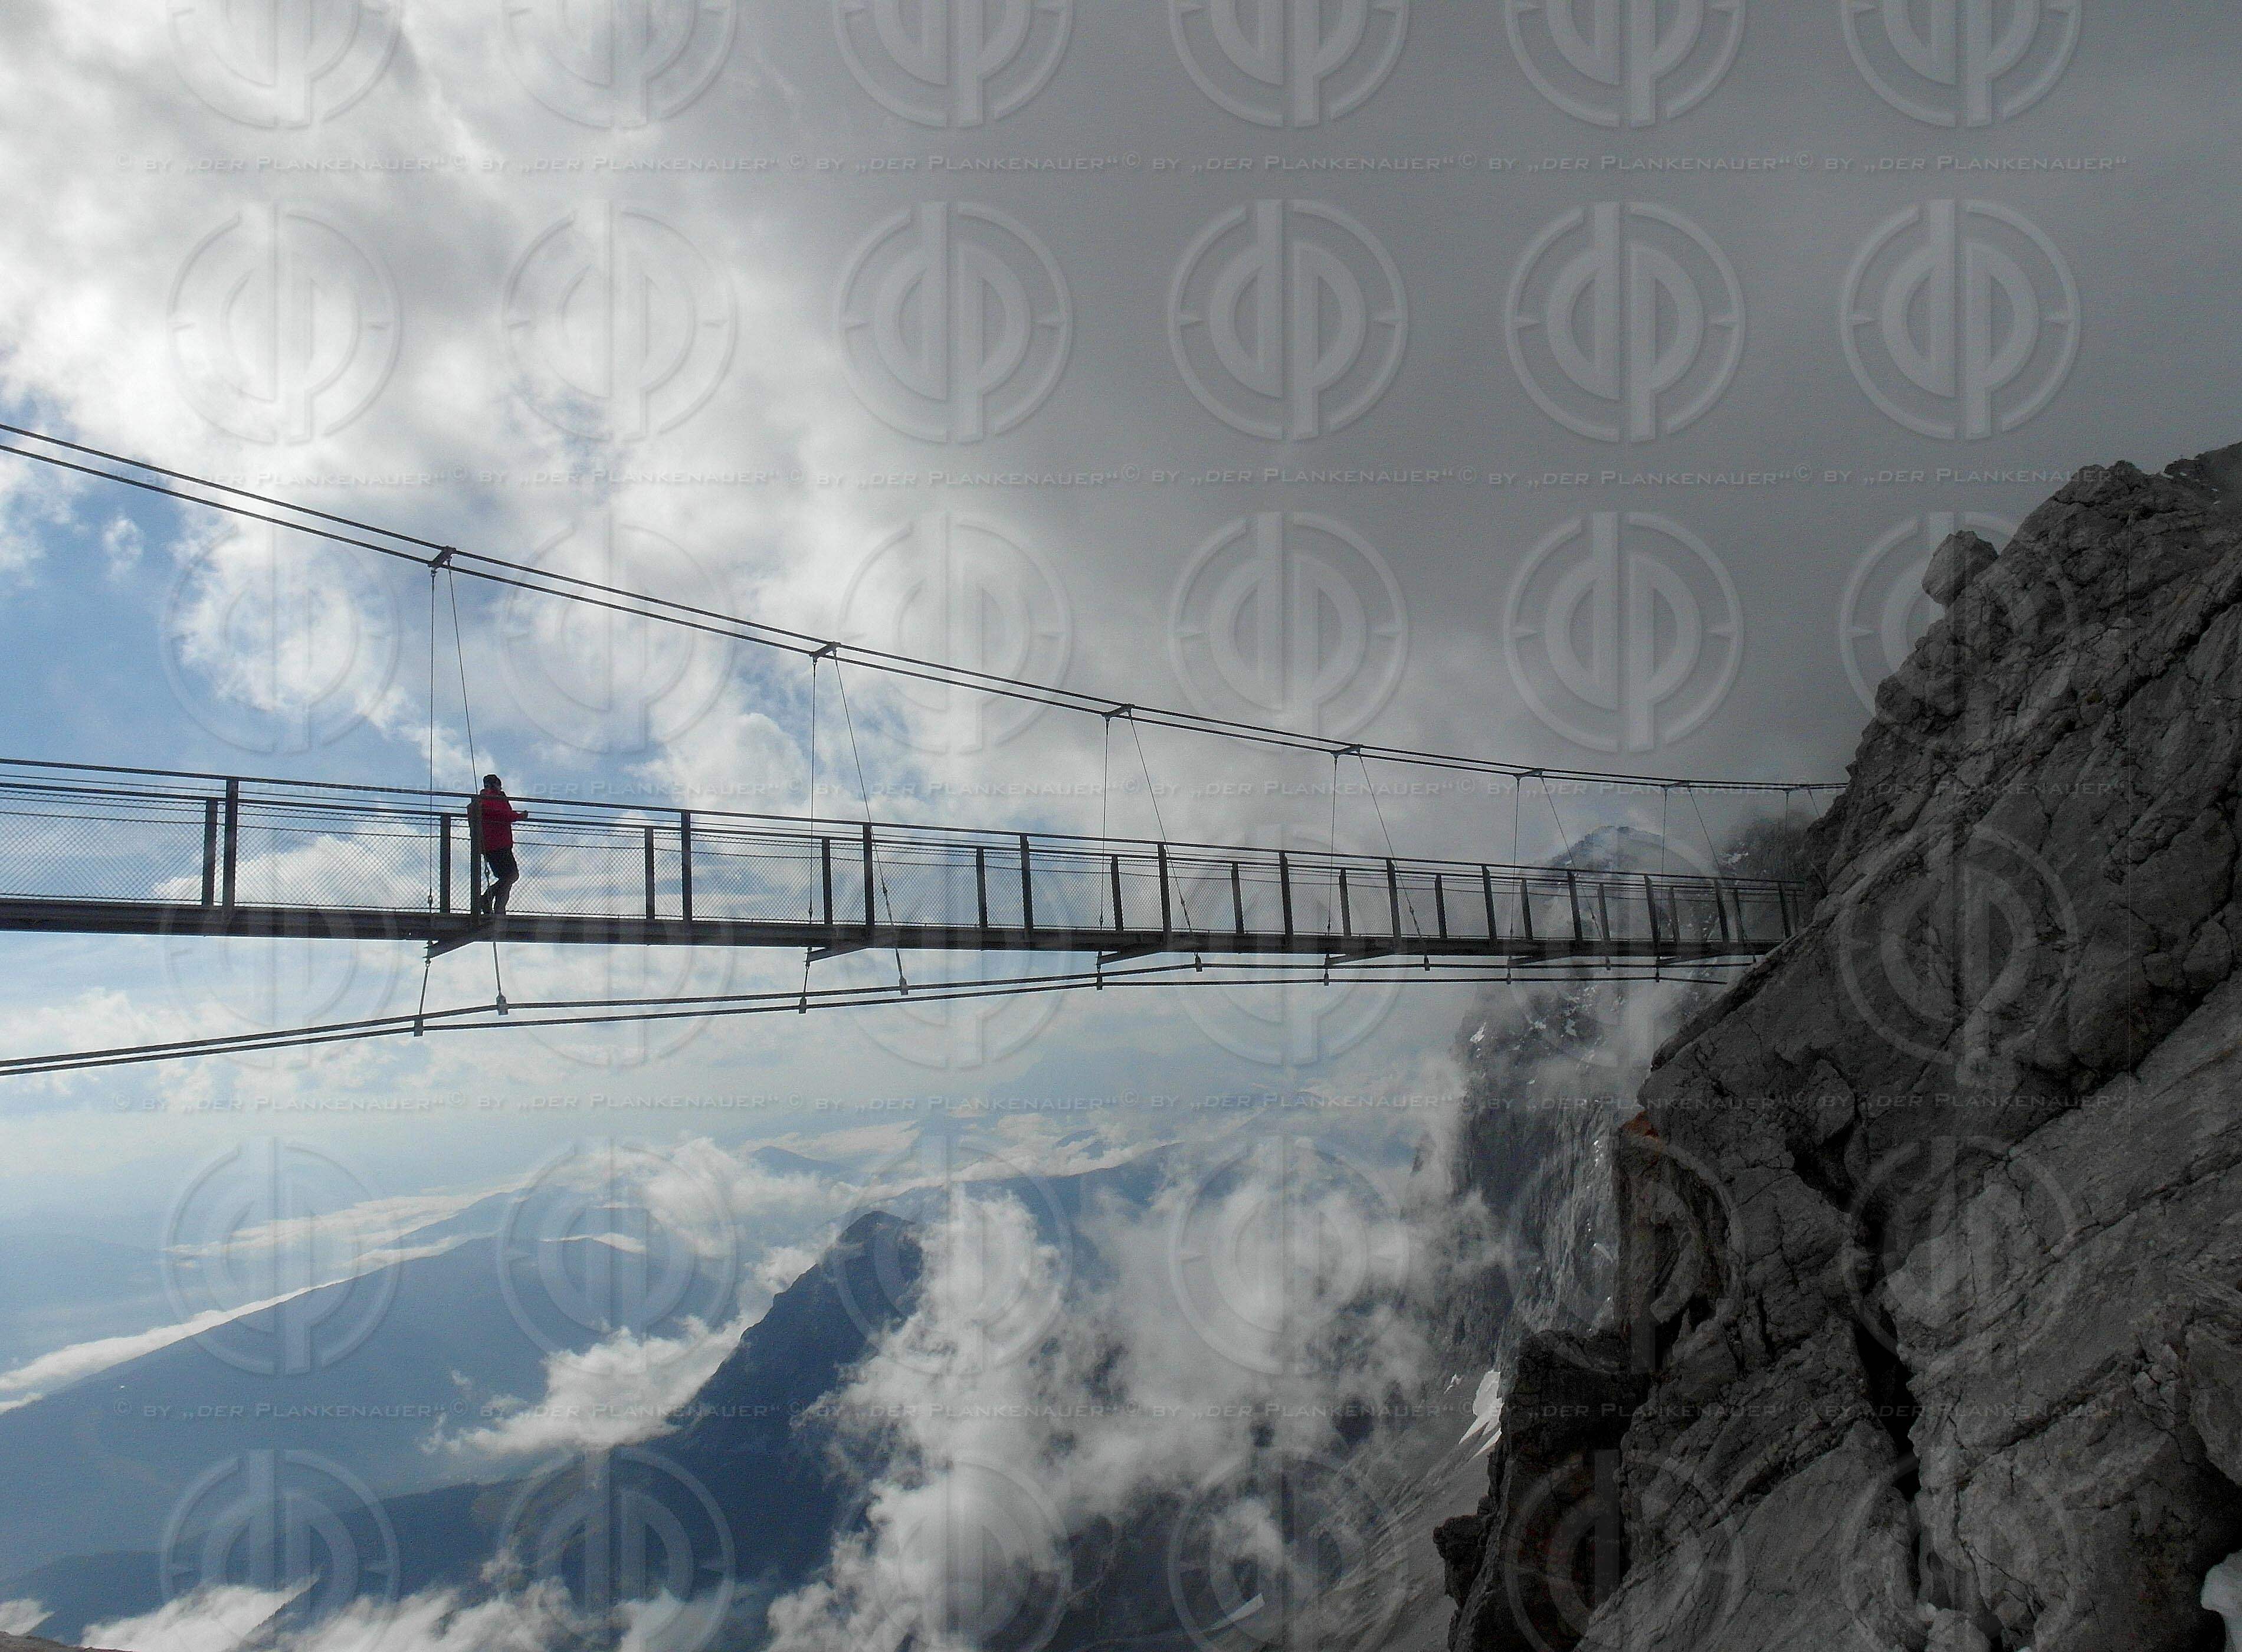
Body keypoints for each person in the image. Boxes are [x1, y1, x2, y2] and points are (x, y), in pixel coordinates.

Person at [473, 775, 527, 917]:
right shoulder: (493, 798)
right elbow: (503, 815)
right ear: (495, 784)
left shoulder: (485, 799)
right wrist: (519, 816)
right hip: (499, 844)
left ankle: (496, 907)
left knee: (507, 878)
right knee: (511, 876)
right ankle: (490, 901)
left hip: (493, 845)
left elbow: (502, 814)